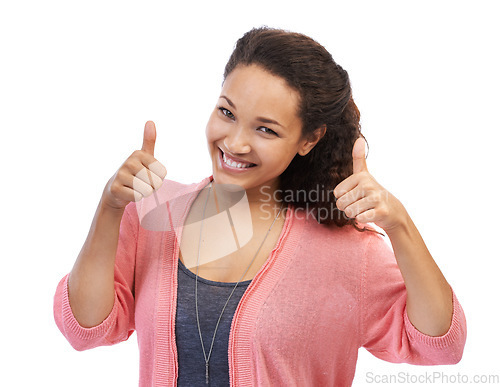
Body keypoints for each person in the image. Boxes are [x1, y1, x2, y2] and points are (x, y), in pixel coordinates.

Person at [53, 26, 466, 386]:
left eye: (265, 129)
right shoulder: (150, 212)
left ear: (309, 139)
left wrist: (399, 225)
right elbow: (85, 329)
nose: (235, 143)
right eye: (227, 112)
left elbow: (439, 344)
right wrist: (109, 206)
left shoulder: (347, 251)